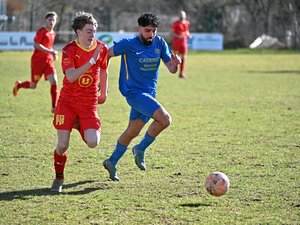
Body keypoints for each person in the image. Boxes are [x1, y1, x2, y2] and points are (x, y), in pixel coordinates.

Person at [103, 12, 181, 181]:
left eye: (153, 31)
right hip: (134, 94)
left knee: (132, 131)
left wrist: (175, 64)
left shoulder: (159, 43)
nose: (151, 34)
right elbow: (106, 54)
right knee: (165, 119)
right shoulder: (129, 44)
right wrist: (103, 80)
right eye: (147, 31)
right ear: (139, 29)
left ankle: (111, 161)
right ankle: (140, 149)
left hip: (149, 95)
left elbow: (171, 68)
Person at [50, 11, 109, 192]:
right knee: (62, 145)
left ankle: (79, 124)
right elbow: (72, 76)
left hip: (88, 103)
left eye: (94, 31)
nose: (93, 35)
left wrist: (104, 93)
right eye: (89, 31)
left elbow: (104, 70)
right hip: (67, 102)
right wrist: (91, 61)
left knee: (93, 142)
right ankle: (59, 178)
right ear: (78, 32)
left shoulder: (102, 48)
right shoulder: (69, 49)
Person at [13, 11, 59, 113]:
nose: (52, 22)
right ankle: (19, 85)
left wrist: (53, 54)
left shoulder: (53, 33)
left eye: (53, 20)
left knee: (54, 81)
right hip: (37, 62)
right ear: (45, 20)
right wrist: (50, 51)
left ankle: (54, 107)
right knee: (33, 85)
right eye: (50, 19)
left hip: (48, 61)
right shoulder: (41, 31)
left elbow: (49, 46)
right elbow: (36, 45)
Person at [172, 10, 191, 78]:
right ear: (179, 16)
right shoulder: (176, 24)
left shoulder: (187, 23)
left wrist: (188, 35)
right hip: (176, 43)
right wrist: (178, 36)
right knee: (176, 57)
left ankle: (181, 73)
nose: (182, 16)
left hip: (184, 43)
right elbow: (172, 33)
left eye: (183, 15)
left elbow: (186, 31)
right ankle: (173, 70)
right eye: (181, 15)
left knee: (183, 58)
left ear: (185, 16)